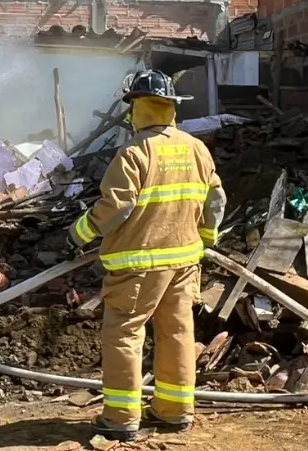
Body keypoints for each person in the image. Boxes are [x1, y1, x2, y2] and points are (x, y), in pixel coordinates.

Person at [68, 70, 226, 441]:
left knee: (124, 334)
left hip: (137, 266)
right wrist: (206, 238)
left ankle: (121, 418)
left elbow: (116, 208)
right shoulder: (195, 148)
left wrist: (78, 233)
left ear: (137, 109)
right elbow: (215, 199)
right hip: (185, 263)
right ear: (171, 108)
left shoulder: (134, 153)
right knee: (177, 332)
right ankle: (174, 411)